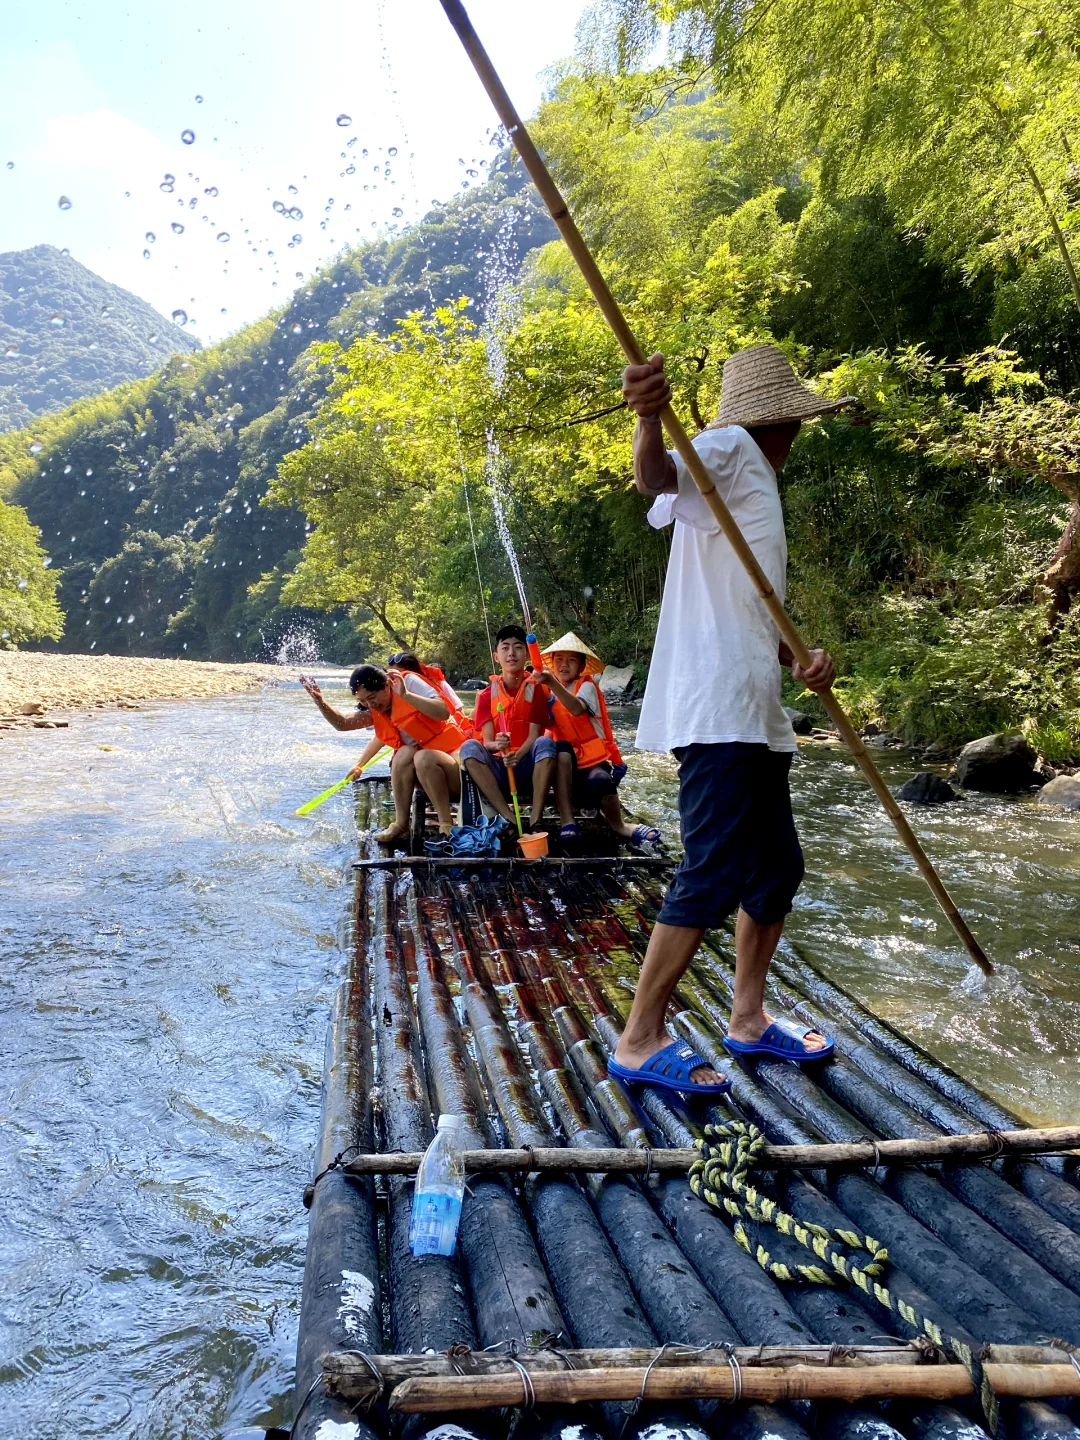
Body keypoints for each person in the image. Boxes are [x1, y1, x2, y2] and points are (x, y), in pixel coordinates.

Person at [608, 344, 853, 1098]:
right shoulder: (734, 447)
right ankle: (640, 1036)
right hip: (719, 711)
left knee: (776, 869)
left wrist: (797, 656)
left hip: (755, 707)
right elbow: (654, 476)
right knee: (712, 872)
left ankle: (747, 1018)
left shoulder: (749, 484)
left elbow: (750, 604)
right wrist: (648, 416)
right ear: (787, 421)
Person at [531, 632, 659, 847]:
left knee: (601, 782)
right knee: (560, 748)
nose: (564, 665)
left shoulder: (587, 687)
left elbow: (576, 709)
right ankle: (567, 822)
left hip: (591, 762)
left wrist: (551, 683)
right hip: (563, 765)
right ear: (552, 664)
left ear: (581, 667)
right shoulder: (544, 691)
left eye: (571, 660)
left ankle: (619, 825)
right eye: (559, 660)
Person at [344, 663, 465, 843]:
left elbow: (443, 712)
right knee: (404, 753)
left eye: (372, 697)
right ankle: (401, 824)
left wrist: (406, 695)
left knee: (423, 757)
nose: (370, 705)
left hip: (451, 767)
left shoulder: (409, 682)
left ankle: (446, 824)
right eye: (363, 702)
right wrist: (359, 764)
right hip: (423, 774)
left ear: (386, 685)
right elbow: (379, 736)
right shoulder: (379, 707)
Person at [459, 624, 557, 833]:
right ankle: (508, 817)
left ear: (527, 654)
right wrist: (499, 745)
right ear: (496, 656)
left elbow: (534, 735)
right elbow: (487, 742)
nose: (511, 653)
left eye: (518, 647)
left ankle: (535, 820)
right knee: (469, 747)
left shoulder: (537, 689)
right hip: (499, 767)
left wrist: (517, 755)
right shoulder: (486, 695)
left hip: (528, 766)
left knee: (546, 743)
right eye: (505, 648)